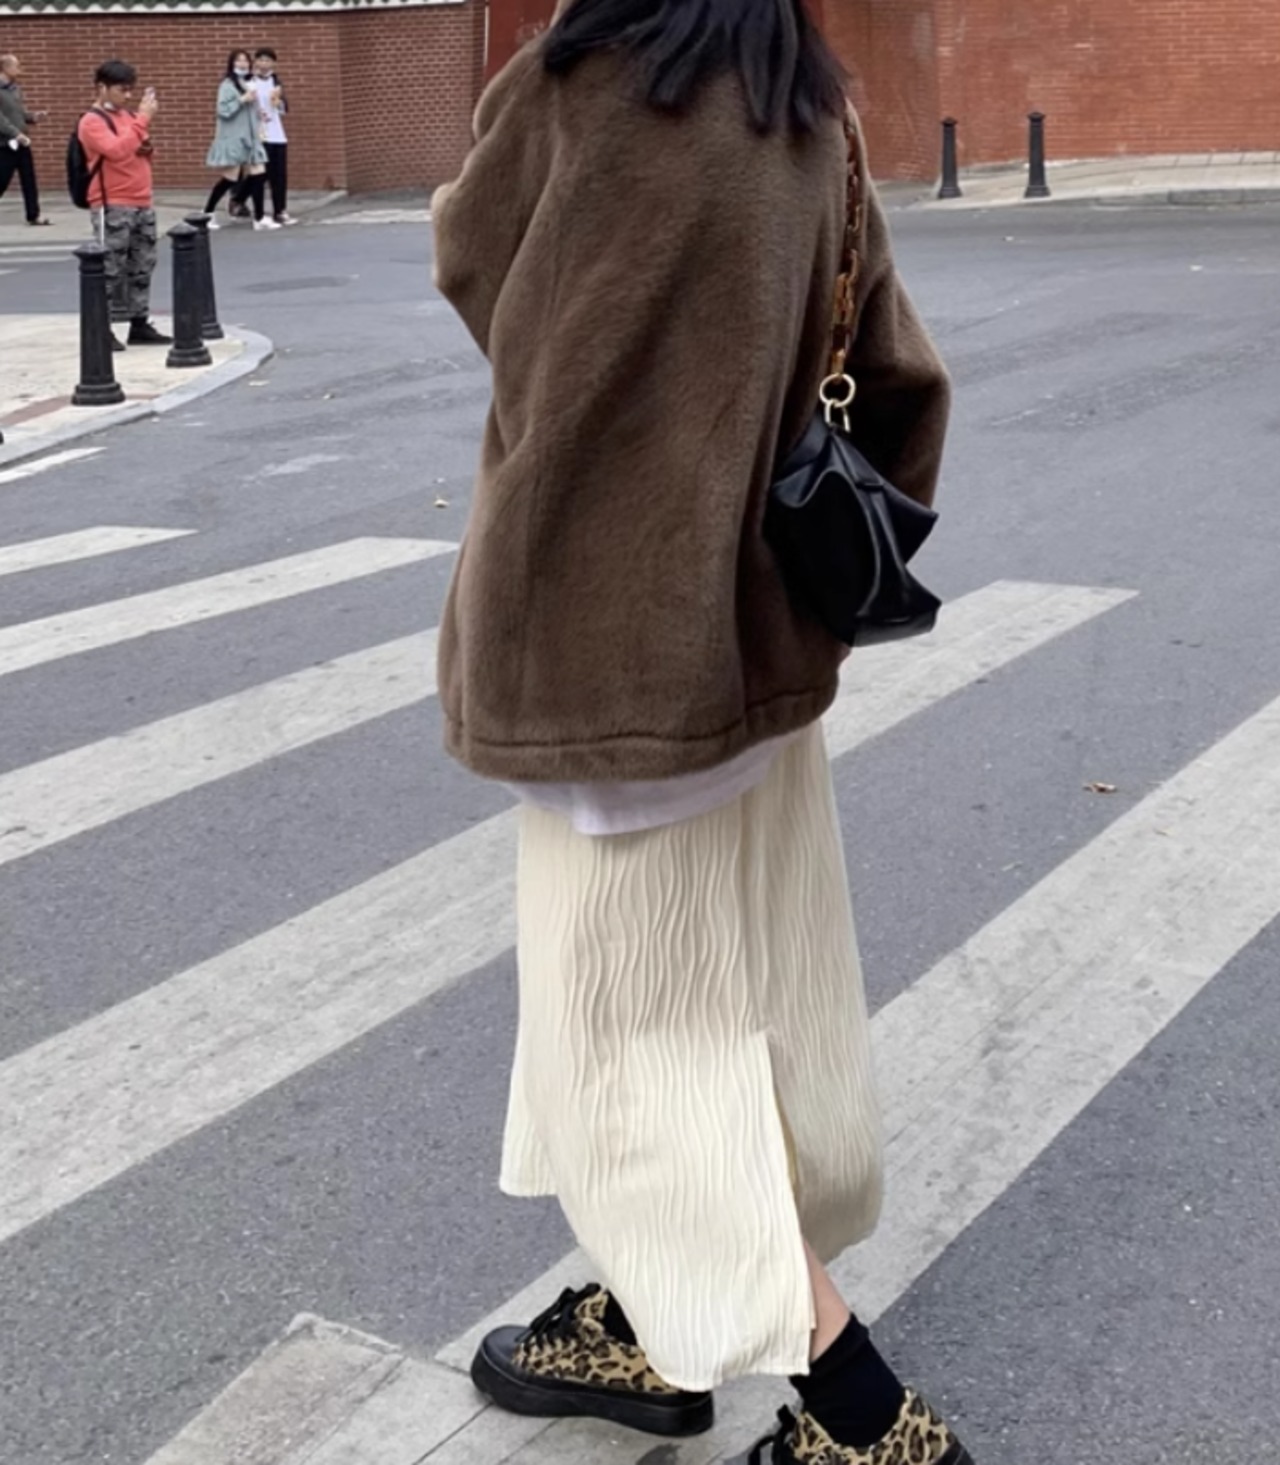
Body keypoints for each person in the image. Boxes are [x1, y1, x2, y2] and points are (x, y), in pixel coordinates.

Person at [431, 2, 969, 1463]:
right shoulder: (808, 103)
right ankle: (641, 1317)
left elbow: (476, 266)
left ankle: (862, 1416)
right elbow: (901, 379)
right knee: (748, 1003)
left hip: (604, 665)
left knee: (631, 1055)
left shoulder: (575, 85)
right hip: (756, 652)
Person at [77, 61, 171, 350]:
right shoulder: (92, 121)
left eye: (131, 90)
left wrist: (145, 141)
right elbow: (116, 151)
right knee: (109, 268)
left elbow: (141, 149)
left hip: (141, 199)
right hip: (112, 202)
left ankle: (139, 323)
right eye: (121, 90)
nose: (127, 96)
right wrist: (143, 120)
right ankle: (101, 327)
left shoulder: (129, 117)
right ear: (102, 87)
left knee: (142, 265)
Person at [202, 49, 277, 231]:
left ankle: (259, 218)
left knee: (259, 173)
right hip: (234, 138)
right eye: (238, 61)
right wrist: (243, 99)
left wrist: (259, 114)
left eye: (245, 61)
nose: (242, 64)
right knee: (230, 178)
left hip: (251, 137)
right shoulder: (227, 85)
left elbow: (251, 108)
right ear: (232, 64)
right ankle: (207, 213)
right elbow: (223, 111)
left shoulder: (248, 83)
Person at [0, 53, 50, 226]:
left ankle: (33, 215)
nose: (20, 70)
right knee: (2, 179)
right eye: (17, 66)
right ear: (5, 68)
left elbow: (19, 114)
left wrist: (33, 117)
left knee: (29, 180)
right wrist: (15, 134)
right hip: (6, 144)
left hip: (22, 142)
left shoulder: (15, 89)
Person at [249, 47, 293, 225]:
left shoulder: (276, 81)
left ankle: (280, 210)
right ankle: (245, 203)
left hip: (277, 133)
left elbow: (284, 108)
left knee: (279, 175)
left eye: (268, 60)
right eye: (261, 60)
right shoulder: (249, 81)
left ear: (274, 63)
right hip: (259, 134)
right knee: (260, 174)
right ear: (255, 62)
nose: (264, 64)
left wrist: (279, 102)